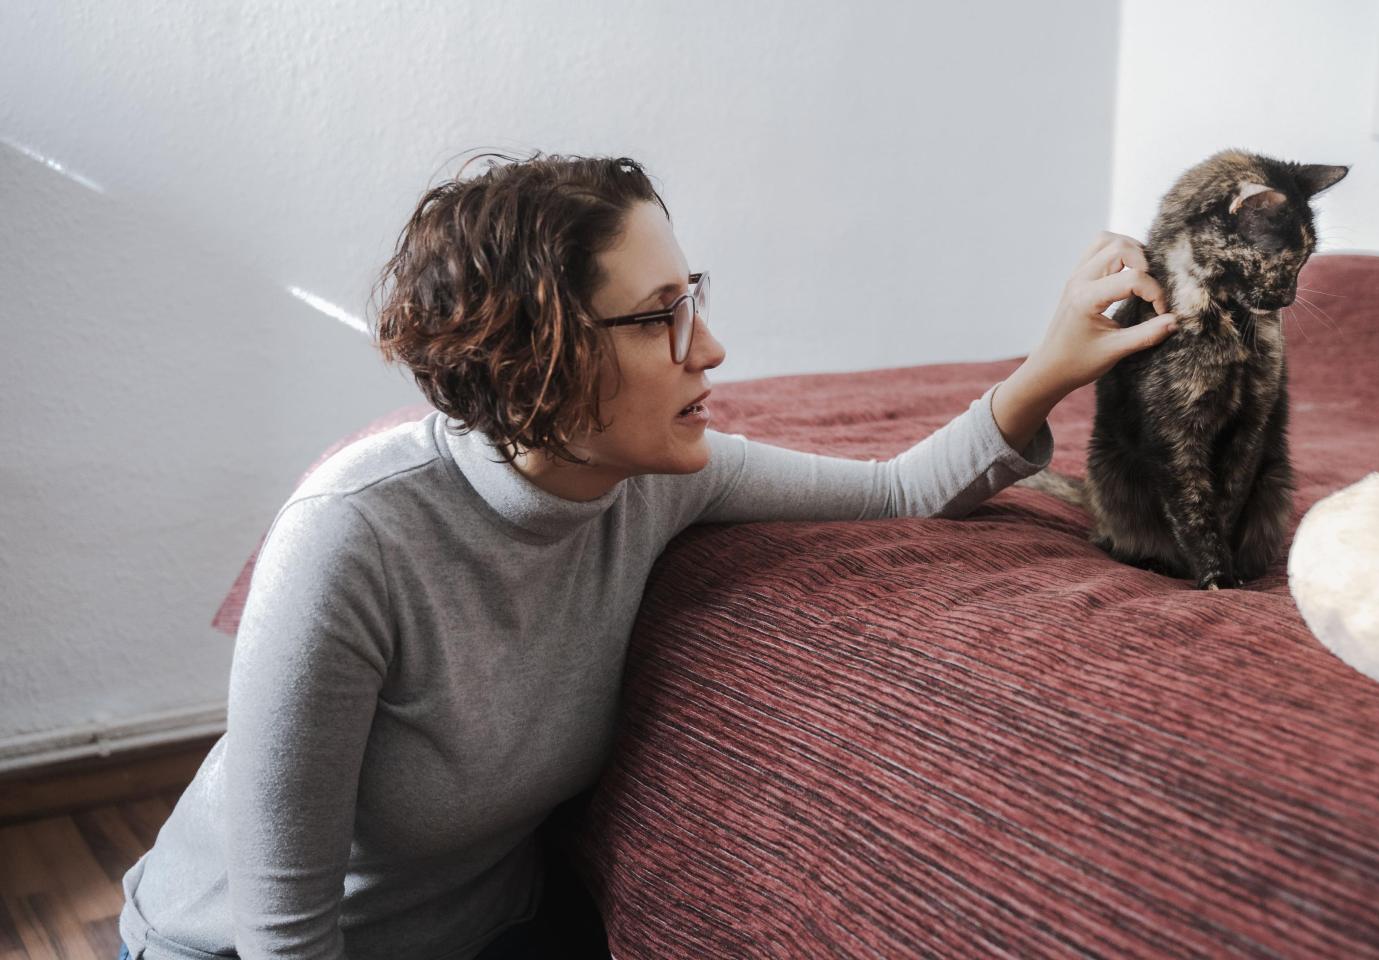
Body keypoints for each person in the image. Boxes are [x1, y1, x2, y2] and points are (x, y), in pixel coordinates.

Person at [115, 154, 1176, 960]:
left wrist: (1049, 368)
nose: (707, 349)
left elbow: (897, 491)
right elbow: (282, 930)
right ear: (534, 349)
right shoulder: (353, 535)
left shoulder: (665, 480)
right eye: (657, 318)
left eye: (693, 297)